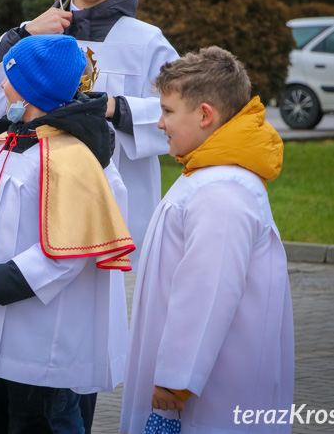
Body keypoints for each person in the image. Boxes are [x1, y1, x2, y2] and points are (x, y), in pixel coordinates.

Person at [0, 0, 179, 433]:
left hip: (108, 203)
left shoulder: (145, 39)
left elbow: (178, 111)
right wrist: (23, 31)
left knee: (82, 332)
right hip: (33, 207)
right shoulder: (43, 27)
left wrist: (112, 110)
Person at [0, 34, 134, 434]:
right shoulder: (2, 147)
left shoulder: (74, 161)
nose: (1, 84)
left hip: (41, 342)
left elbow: (68, 252)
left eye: (10, 77)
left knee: (41, 424)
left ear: (33, 91)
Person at [119, 47, 294, 434]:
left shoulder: (223, 190)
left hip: (208, 395)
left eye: (167, 111)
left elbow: (208, 289)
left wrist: (176, 377)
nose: (160, 123)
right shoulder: (208, 172)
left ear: (203, 115)